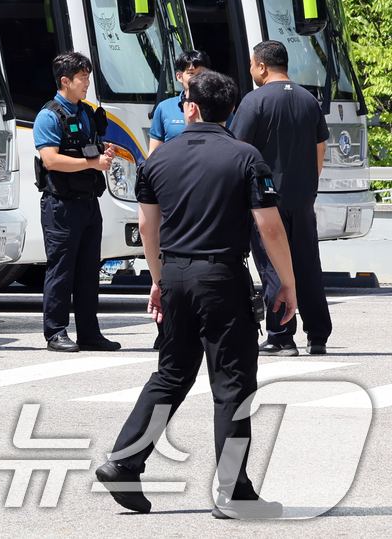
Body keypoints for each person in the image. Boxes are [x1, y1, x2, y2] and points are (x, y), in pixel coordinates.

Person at [96, 70, 295, 519]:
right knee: (232, 385)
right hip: (221, 278)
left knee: (172, 372)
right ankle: (233, 491)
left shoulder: (157, 161)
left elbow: (148, 225)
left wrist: (157, 278)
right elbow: (269, 225)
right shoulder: (246, 158)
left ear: (190, 107)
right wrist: (287, 281)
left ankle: (124, 461)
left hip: (174, 275)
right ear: (229, 111)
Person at [232, 40, 331, 356]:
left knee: (273, 264)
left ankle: (281, 335)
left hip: (265, 199)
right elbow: (320, 147)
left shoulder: (254, 101)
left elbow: (239, 149)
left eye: (251, 65)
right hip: (303, 199)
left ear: (262, 66)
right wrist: (309, 187)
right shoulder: (308, 100)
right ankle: (317, 335)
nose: (251, 71)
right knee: (307, 266)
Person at [34, 52, 120, 353]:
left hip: (88, 203)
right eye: (82, 78)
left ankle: (89, 332)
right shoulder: (49, 115)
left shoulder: (85, 111)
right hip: (61, 204)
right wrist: (92, 163)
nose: (87, 84)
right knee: (61, 270)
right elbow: (51, 160)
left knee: (87, 270)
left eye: (87, 77)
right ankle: (56, 332)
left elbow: (90, 152)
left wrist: (102, 156)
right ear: (65, 81)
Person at [149, 49, 215, 149]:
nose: (197, 78)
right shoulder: (164, 108)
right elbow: (154, 153)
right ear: (179, 77)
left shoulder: (219, 106)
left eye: (202, 73)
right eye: (191, 73)